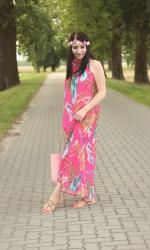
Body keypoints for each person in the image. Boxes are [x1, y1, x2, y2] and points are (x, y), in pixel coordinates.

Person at [41, 31, 106, 213]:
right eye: (75, 47)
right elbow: (69, 95)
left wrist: (85, 109)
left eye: (82, 47)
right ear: (71, 47)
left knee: (72, 153)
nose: (79, 51)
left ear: (87, 45)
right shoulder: (73, 66)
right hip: (73, 118)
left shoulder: (95, 65)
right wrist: (68, 119)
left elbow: (102, 93)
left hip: (88, 117)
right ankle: (88, 195)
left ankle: (55, 195)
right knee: (83, 153)